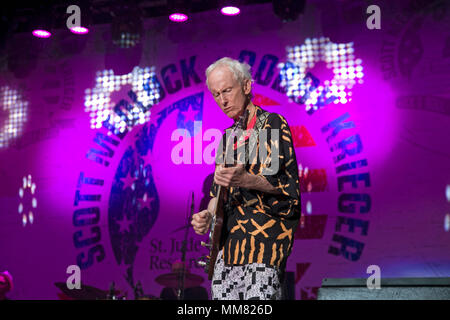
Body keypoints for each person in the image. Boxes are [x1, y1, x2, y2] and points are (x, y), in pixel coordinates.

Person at [191, 57, 301, 300]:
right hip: (227, 250)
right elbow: (216, 196)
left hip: (262, 247)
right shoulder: (227, 138)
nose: (223, 100)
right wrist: (207, 216)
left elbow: (278, 184)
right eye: (216, 94)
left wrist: (245, 180)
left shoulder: (270, 125)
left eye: (227, 90)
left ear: (247, 86)